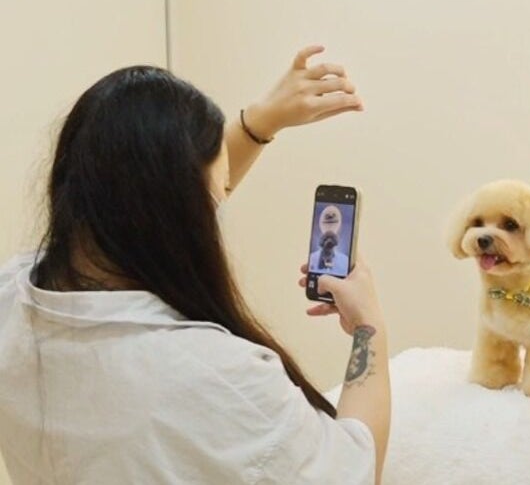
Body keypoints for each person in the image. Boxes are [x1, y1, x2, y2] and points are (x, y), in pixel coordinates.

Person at [0, 46, 391, 484]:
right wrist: (368, 328)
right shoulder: (220, 379)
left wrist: (259, 124)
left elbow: (163, 206)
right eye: (217, 194)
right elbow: (355, 466)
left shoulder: (14, 301)